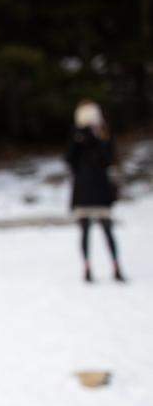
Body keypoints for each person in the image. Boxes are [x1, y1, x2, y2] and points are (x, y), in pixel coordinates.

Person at [65, 99, 125, 282]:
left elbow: (109, 157)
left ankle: (116, 266)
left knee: (107, 229)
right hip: (83, 189)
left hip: (100, 189)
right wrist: (78, 140)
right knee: (85, 231)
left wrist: (94, 140)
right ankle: (87, 267)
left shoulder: (104, 135)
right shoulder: (76, 136)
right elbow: (69, 159)